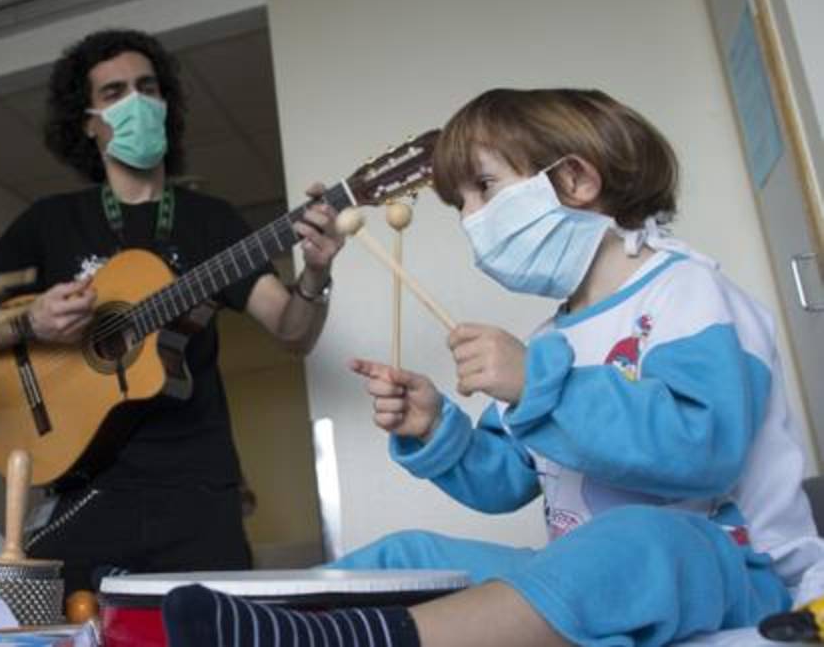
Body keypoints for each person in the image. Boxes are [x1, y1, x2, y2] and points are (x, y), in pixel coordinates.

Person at [160, 88, 824, 647]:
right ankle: (254, 627)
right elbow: (509, 478)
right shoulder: (552, 336)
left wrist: (539, 384)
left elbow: (702, 448)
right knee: (411, 554)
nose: (472, 220)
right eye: (460, 206)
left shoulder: (688, 294)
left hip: (734, 569)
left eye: (483, 189)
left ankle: (352, 641)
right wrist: (436, 430)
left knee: (644, 536)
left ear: (575, 180)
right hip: (582, 573)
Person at [0, 28, 342, 595]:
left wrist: (316, 275)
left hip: (201, 491)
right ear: (87, 121)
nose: (136, 103)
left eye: (147, 88)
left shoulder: (213, 222)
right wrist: (30, 322)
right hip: (85, 488)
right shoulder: (48, 222)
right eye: (114, 92)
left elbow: (292, 331)